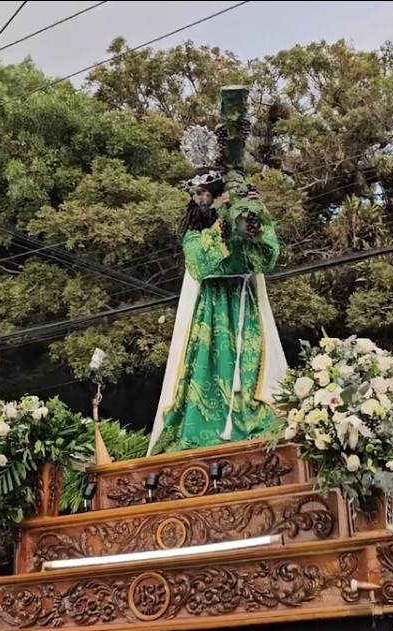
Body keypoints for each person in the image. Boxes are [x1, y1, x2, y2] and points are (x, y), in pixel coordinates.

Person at [147, 90, 289, 455]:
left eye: (205, 192)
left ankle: (250, 425)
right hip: (210, 309)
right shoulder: (194, 233)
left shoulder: (239, 209)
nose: (200, 199)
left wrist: (251, 220)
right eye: (194, 194)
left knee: (250, 363)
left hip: (244, 301)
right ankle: (203, 430)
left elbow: (265, 256)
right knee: (207, 366)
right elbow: (201, 264)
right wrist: (223, 228)